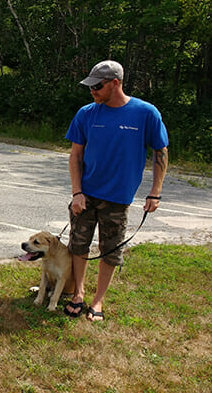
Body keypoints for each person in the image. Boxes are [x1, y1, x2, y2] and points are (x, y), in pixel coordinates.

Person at [64, 60, 168, 321]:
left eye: (97, 87)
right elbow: (76, 156)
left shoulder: (145, 113)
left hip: (118, 199)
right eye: (90, 87)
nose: (92, 92)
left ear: (115, 83)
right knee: (78, 244)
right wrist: (77, 192)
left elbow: (161, 151)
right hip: (85, 195)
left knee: (110, 249)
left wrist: (155, 191)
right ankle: (78, 293)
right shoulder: (86, 113)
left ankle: (98, 301)